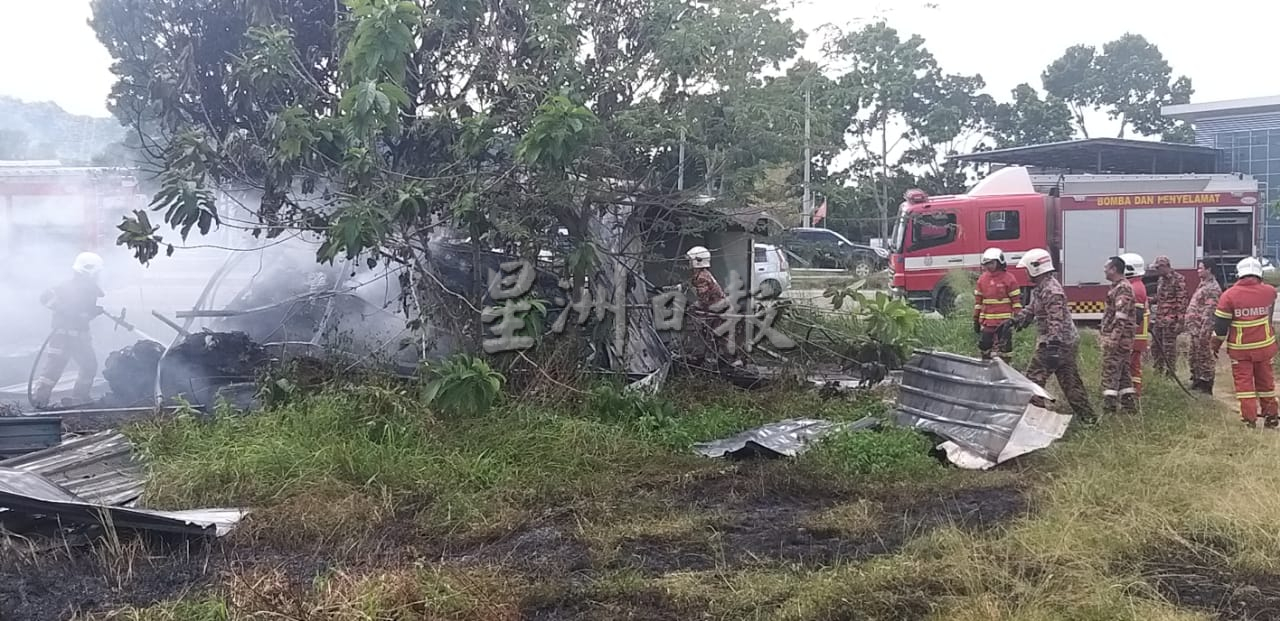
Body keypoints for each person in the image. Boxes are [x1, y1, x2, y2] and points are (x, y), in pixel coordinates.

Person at [1008, 248, 1094, 423]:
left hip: (1054, 343)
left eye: (1026, 269)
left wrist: (1053, 347)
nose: (1025, 273)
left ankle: (1034, 421)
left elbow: (1056, 319)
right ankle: (1089, 420)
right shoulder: (1042, 288)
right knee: (1070, 383)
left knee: (1033, 382)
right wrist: (1015, 321)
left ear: (1035, 268)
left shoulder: (1051, 291)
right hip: (1063, 343)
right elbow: (1032, 309)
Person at [32, 252, 106, 409]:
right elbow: (45, 298)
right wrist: (64, 309)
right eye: (97, 272)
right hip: (62, 336)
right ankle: (39, 400)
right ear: (88, 270)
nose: (98, 276)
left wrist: (92, 312)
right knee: (53, 369)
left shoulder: (90, 289)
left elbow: (83, 314)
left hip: (81, 337)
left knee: (89, 366)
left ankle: (80, 397)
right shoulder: (66, 286)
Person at [1211, 257, 1278, 428]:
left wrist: (1215, 346)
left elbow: (1220, 328)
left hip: (1241, 351)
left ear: (1239, 274)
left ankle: (1250, 419)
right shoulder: (1269, 291)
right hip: (1265, 347)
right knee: (1266, 383)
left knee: (1245, 385)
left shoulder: (1229, 296)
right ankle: (1271, 416)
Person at [685, 246, 743, 368]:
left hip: (719, 310)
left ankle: (735, 363)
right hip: (718, 308)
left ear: (697, 260)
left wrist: (693, 306)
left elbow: (704, 298)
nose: (689, 262)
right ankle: (715, 361)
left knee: (721, 336)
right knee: (713, 336)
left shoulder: (701, 278)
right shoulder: (702, 274)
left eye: (690, 260)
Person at [1101, 256, 1138, 415]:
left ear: (1114, 269)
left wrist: (1113, 339)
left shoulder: (1122, 288)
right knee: (1123, 373)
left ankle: (1109, 408)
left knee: (1110, 371)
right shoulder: (1117, 287)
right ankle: (1129, 407)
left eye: (1106, 267)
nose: (1104, 270)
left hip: (1118, 340)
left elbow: (1121, 317)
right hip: (1121, 339)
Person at [973, 247, 1023, 360]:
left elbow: (1016, 302)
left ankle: (1005, 367)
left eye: (991, 263)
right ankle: (987, 368)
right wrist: (976, 319)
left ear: (999, 262)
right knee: (984, 348)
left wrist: (1018, 318)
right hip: (988, 323)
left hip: (1004, 323)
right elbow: (978, 303)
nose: (989, 266)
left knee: (1005, 350)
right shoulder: (982, 280)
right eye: (987, 263)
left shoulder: (1009, 279)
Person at [1185, 258, 1223, 395]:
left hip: (1202, 330)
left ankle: (1206, 384)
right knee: (1194, 356)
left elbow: (1209, 312)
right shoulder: (1203, 285)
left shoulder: (1212, 288)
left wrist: (1204, 332)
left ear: (1209, 270)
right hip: (1195, 329)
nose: (1198, 270)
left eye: (1201, 268)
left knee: (1204, 356)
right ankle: (1197, 380)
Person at [1150, 255, 1188, 378]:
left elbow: (1182, 301)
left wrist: (1180, 322)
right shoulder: (1161, 280)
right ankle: (1158, 371)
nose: (1157, 270)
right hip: (1160, 318)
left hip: (1171, 321)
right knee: (1156, 346)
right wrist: (1151, 300)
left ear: (1165, 266)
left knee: (1169, 349)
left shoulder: (1178, 280)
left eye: (1158, 268)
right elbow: (1161, 297)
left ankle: (1170, 374)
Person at [1120, 253, 1150, 401]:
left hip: (1134, 336)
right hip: (1135, 336)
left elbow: (1136, 316)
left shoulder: (1135, 288)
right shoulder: (1135, 285)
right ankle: (1132, 394)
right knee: (1132, 366)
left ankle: (1134, 395)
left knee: (1132, 367)